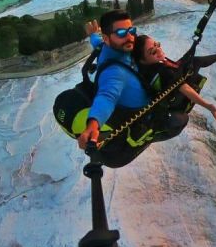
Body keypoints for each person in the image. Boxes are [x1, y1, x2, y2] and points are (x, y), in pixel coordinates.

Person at [77, 11, 188, 161]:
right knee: (181, 119)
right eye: (122, 32)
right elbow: (107, 96)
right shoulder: (115, 72)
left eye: (131, 31)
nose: (129, 37)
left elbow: (98, 43)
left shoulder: (109, 47)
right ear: (107, 38)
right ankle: (148, 136)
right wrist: (94, 124)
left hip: (135, 98)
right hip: (142, 115)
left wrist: (92, 35)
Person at [132, 34, 216, 126]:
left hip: (168, 97)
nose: (159, 50)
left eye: (157, 44)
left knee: (193, 61)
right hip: (176, 103)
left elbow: (175, 68)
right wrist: (209, 106)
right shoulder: (161, 70)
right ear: (142, 60)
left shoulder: (142, 67)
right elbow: (185, 88)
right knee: (196, 62)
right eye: (153, 52)